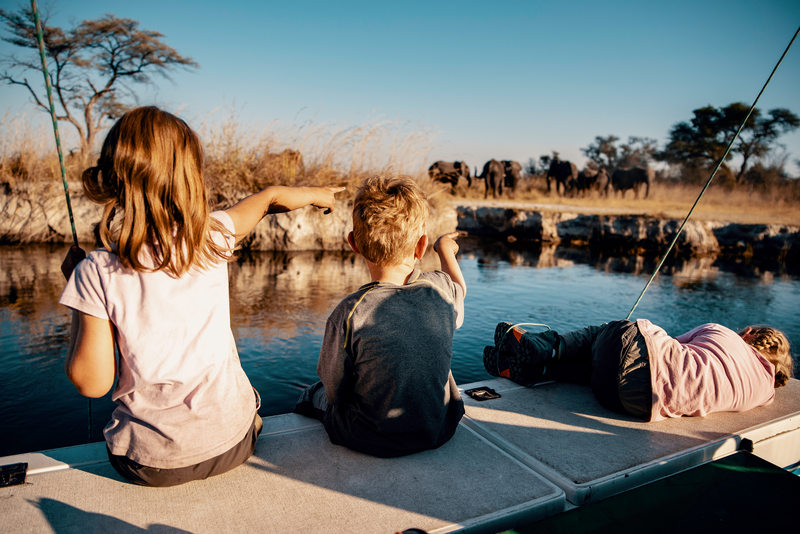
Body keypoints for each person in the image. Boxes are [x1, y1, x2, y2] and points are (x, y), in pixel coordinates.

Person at [59, 106, 344, 487]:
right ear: (189, 176)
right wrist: (318, 194)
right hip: (235, 444)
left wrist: (78, 291)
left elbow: (91, 383)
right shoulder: (215, 235)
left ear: (114, 176)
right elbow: (267, 199)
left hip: (150, 466)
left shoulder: (97, 269)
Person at [294, 174, 467, 457]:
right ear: (421, 246)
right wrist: (445, 250)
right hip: (440, 428)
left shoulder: (349, 312)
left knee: (315, 394)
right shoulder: (441, 290)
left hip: (371, 437)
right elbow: (460, 287)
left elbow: (336, 392)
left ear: (354, 243)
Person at [483, 319, 793, 421]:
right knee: (596, 373)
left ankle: (550, 346)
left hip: (627, 352)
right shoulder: (766, 391)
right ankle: (542, 371)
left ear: (749, 332)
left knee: (606, 333)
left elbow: (668, 345)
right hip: (634, 403)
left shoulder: (722, 332)